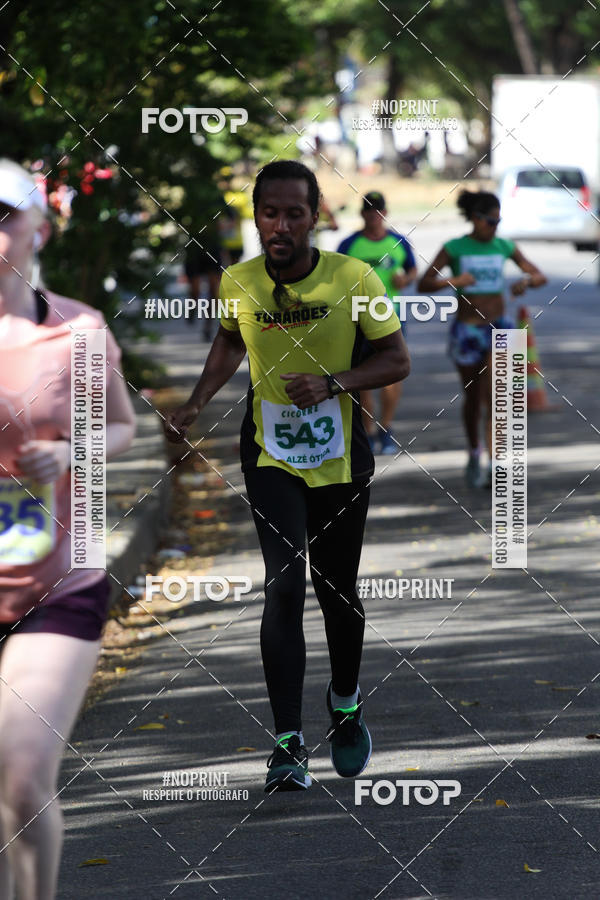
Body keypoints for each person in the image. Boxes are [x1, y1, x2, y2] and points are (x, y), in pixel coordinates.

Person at [164, 160, 409, 792]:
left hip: (341, 456)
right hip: (270, 455)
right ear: (256, 216)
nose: (280, 225)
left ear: (314, 216)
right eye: (269, 212)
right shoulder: (238, 282)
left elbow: (395, 358)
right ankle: (288, 742)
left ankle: (347, 704)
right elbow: (228, 341)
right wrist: (196, 401)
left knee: (337, 589)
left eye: (294, 213)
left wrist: (334, 382)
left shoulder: (354, 278)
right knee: (283, 586)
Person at [0, 158, 136, 899]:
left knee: (21, 777)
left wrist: (71, 449)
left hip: (60, 578)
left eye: (2, 216)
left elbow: (119, 428)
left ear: (38, 229)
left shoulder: (78, 330)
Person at [417, 189, 546, 487]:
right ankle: (475, 452)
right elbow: (424, 283)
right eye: (490, 221)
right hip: (466, 330)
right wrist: (455, 281)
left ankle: (496, 460)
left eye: (498, 222)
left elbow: (538, 275)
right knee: (473, 398)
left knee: (495, 395)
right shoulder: (454, 248)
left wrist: (525, 282)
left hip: (498, 328)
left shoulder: (503, 246)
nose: (495, 227)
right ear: (475, 219)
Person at [337, 191, 417, 454]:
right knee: (363, 377)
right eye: (369, 211)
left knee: (392, 375)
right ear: (362, 214)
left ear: (385, 213)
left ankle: (386, 427)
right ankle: (368, 431)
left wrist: (405, 280)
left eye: (378, 211)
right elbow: (334, 277)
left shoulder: (399, 242)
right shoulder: (349, 245)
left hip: (391, 316)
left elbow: (413, 270)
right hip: (357, 319)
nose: (373, 216)